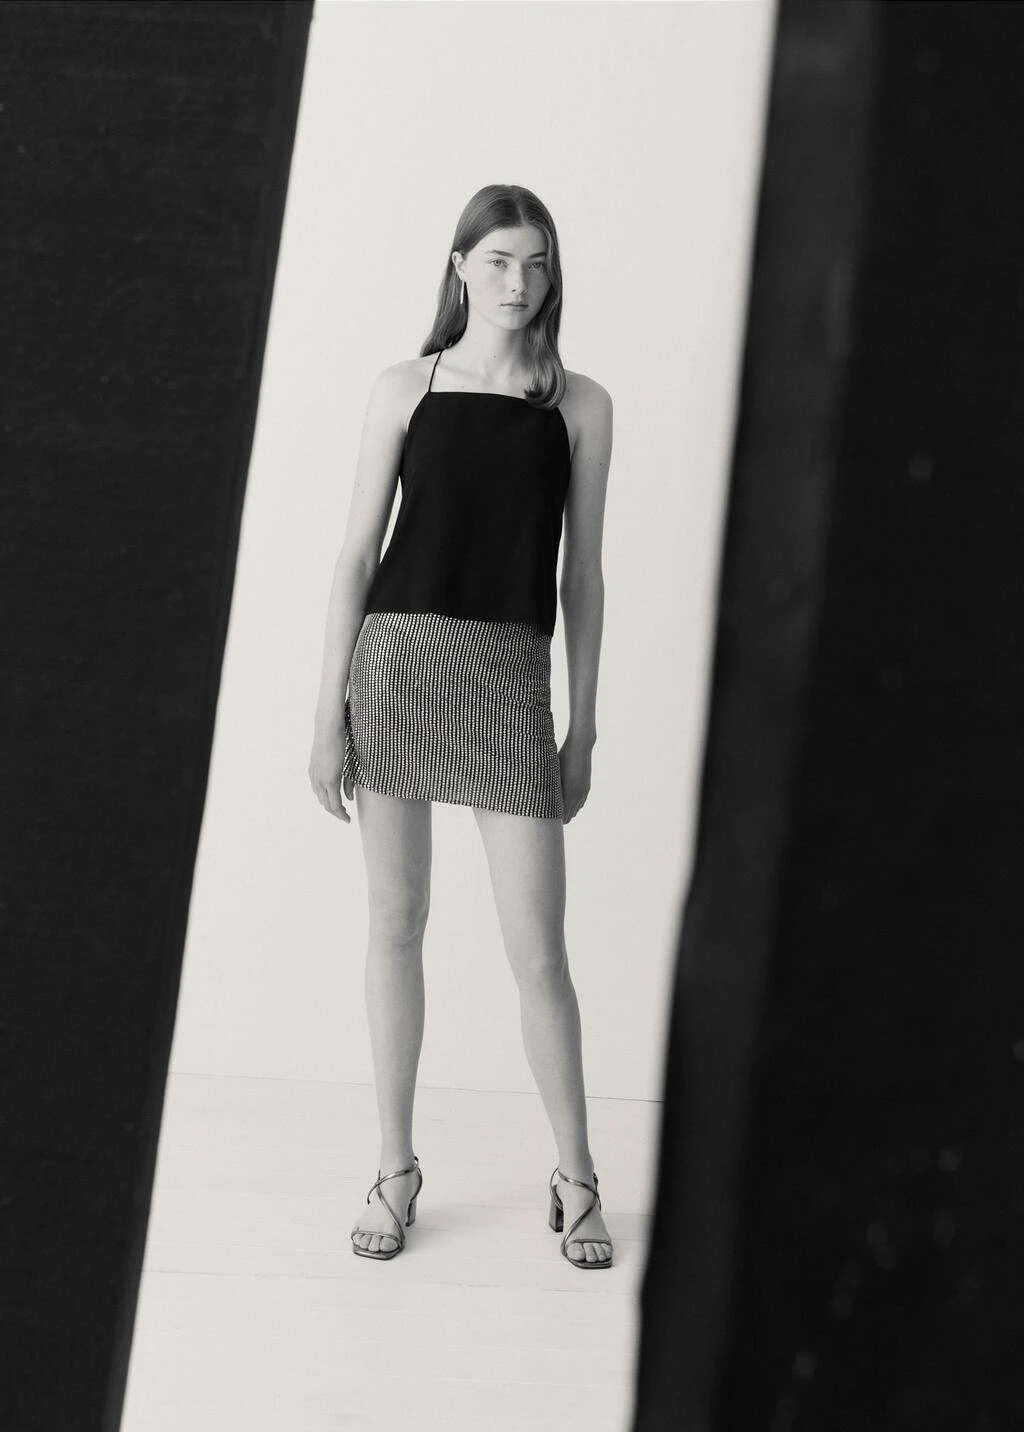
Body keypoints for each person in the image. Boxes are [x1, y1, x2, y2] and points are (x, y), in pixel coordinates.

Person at [308, 183, 614, 1269]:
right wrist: (327, 710)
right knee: (396, 922)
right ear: (459, 268)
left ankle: (575, 1174)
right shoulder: (407, 386)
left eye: (535, 261)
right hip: (394, 666)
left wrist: (582, 729)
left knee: (540, 954)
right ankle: (395, 1168)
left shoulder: (579, 406)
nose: (517, 282)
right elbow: (356, 553)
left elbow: (583, 577)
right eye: (497, 260)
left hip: (509, 678)